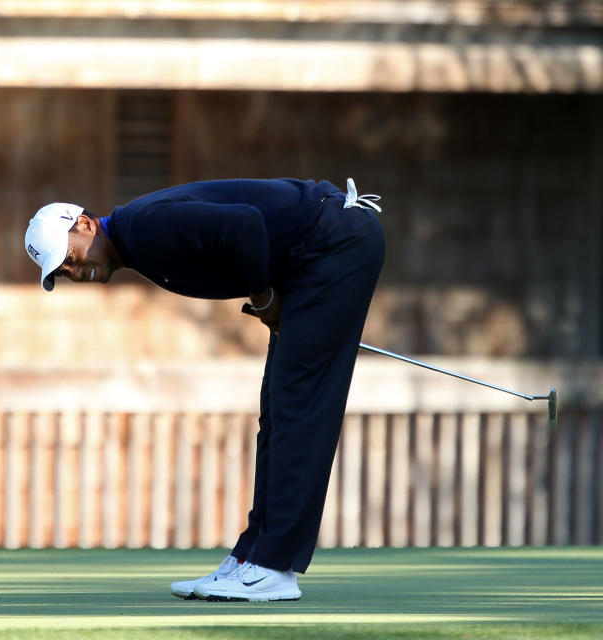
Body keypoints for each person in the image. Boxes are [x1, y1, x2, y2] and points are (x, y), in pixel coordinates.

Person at [23, 177, 385, 602]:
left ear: (84, 225)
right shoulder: (135, 239)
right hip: (315, 253)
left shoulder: (142, 227)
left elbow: (244, 225)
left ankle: (273, 566)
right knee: (279, 410)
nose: (71, 271)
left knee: (299, 408)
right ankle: (253, 556)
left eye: (67, 257)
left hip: (333, 241)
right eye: (60, 272)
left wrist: (265, 296)